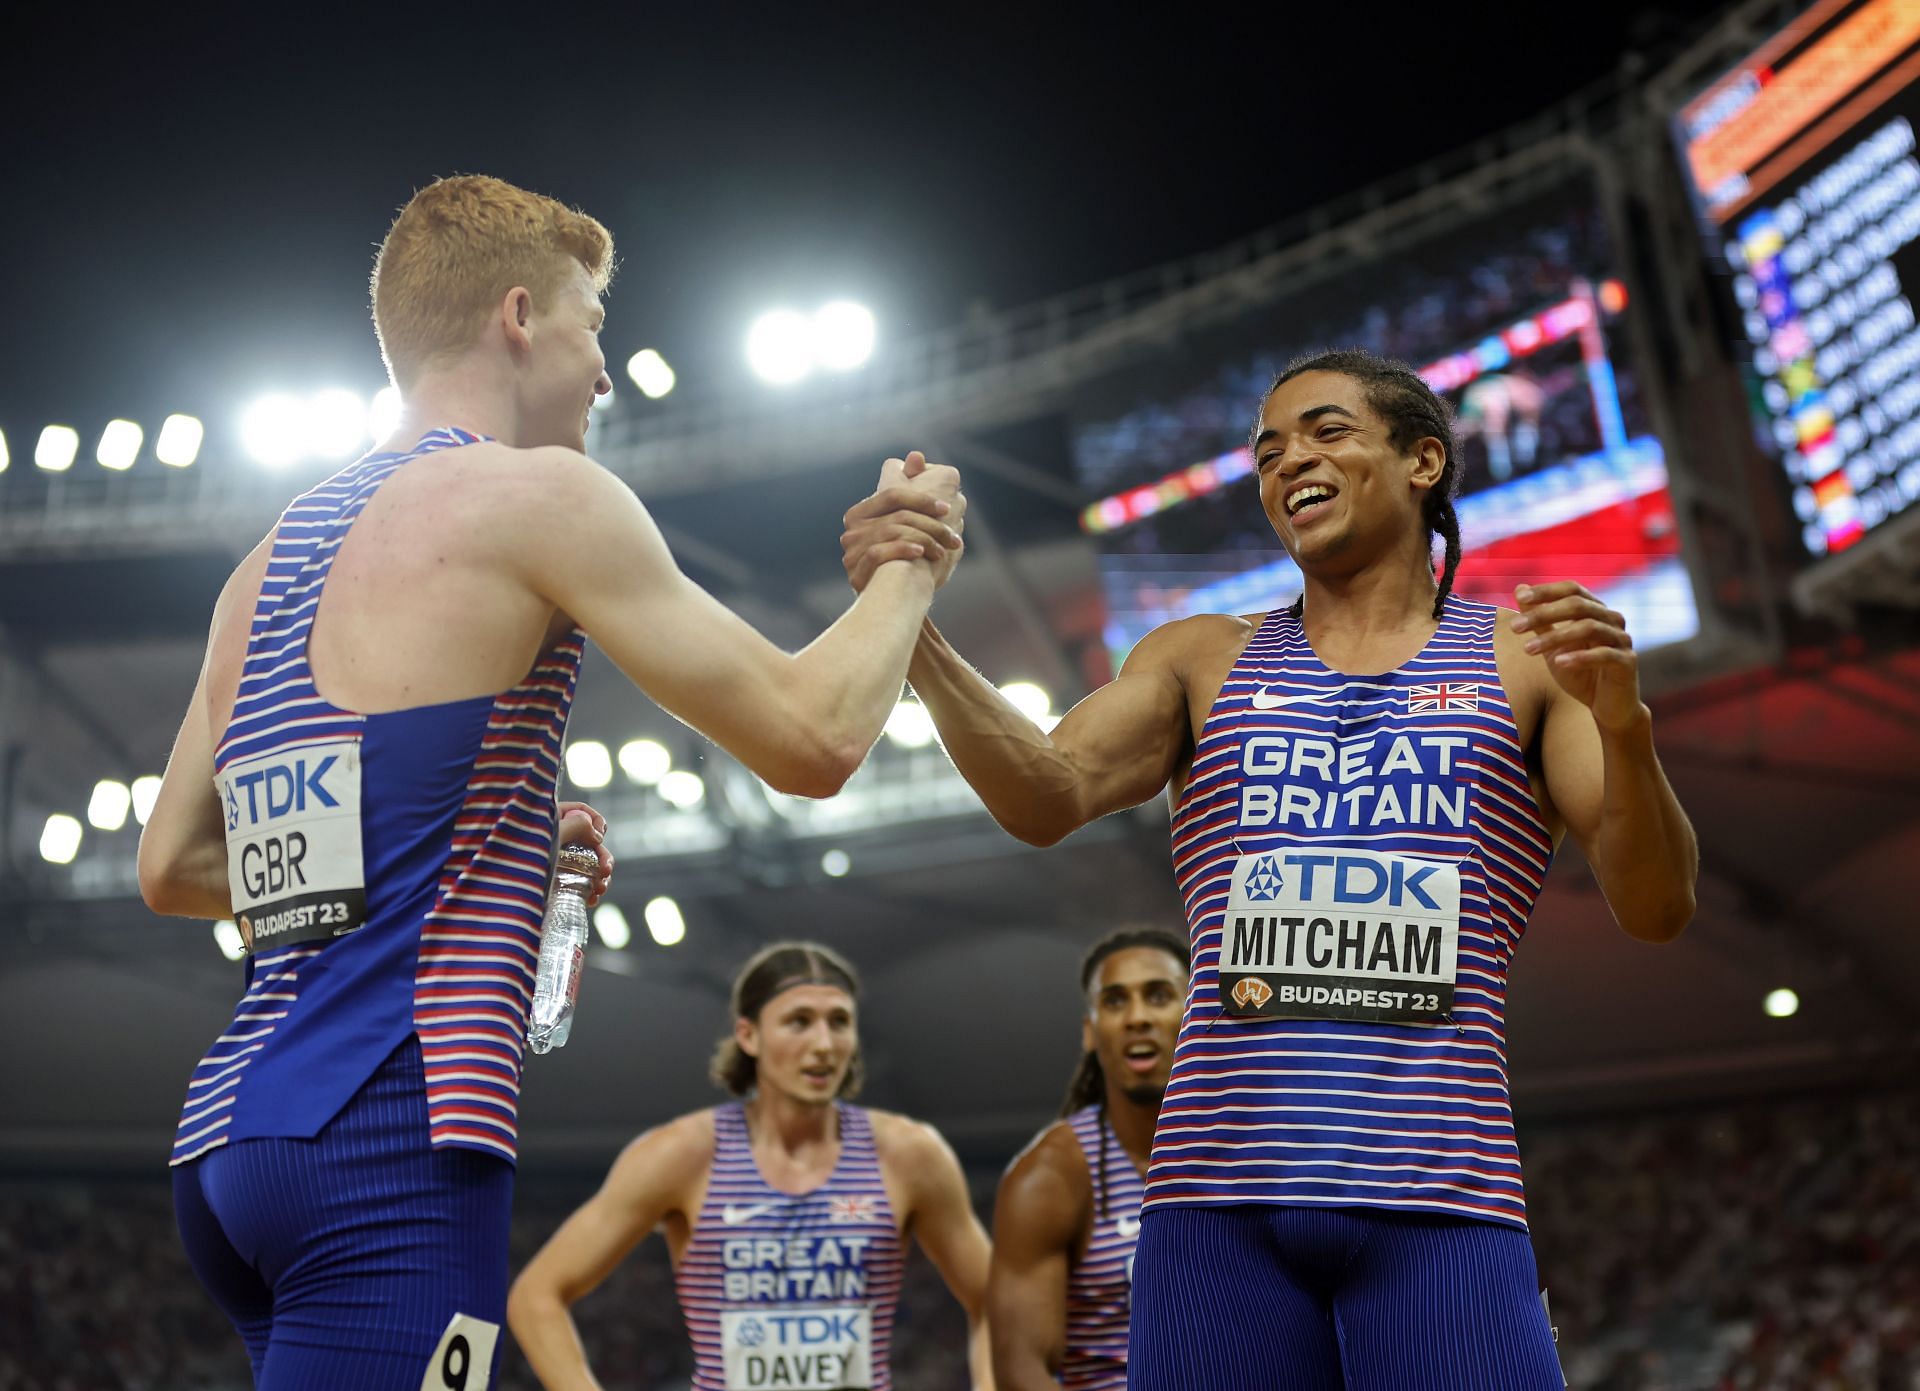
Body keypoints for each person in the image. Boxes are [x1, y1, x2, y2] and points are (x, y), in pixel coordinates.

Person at [136, 173, 968, 1391]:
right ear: (518, 316)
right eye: (595, 328)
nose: (608, 371)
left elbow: (174, 867)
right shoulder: (537, 497)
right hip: (395, 1137)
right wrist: (912, 561)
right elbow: (815, 734)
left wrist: (494, 838)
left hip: (230, 1143)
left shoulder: (261, 564)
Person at [841, 348, 1698, 1390]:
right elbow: (1043, 791)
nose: (1290, 458)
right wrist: (914, 625)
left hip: (1440, 1200)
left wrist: (1626, 718)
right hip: (1214, 1215)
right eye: (1268, 449)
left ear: (1424, 458)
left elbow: (1656, 905)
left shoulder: (1524, 659)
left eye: (1328, 430)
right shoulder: (1198, 656)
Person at [508, 941, 994, 1390]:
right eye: (799, 1021)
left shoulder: (909, 1155)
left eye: (839, 1021)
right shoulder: (683, 1155)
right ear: (749, 1034)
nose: (824, 1043)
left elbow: (998, 1302)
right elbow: (536, 1297)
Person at [987, 928, 1189, 1391]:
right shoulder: (1050, 1177)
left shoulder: (1249, 1148)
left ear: (1195, 1013)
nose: (1137, 1018)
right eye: (1116, 1001)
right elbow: (1022, 1371)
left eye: (1158, 996)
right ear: (1090, 1032)